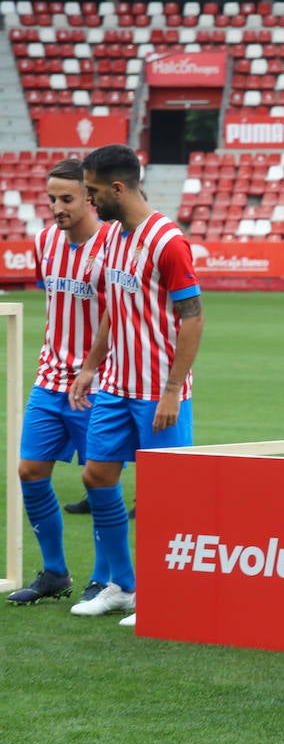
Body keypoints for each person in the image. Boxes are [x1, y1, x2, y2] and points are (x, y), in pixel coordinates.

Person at [67, 144, 204, 627]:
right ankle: (124, 586)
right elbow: (113, 307)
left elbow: (193, 320)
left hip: (157, 393)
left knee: (166, 494)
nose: (89, 200)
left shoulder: (168, 241)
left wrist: (171, 389)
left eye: (93, 192)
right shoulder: (111, 237)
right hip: (115, 385)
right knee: (97, 476)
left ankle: (169, 592)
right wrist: (90, 365)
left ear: (118, 188)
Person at [7, 158, 115, 606]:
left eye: (66, 198)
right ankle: (54, 572)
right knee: (30, 471)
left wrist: (92, 366)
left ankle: (105, 579)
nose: (55, 207)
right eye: (51, 198)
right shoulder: (46, 241)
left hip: (99, 384)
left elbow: (117, 315)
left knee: (99, 481)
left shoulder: (113, 246)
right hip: (50, 378)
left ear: (91, 199)